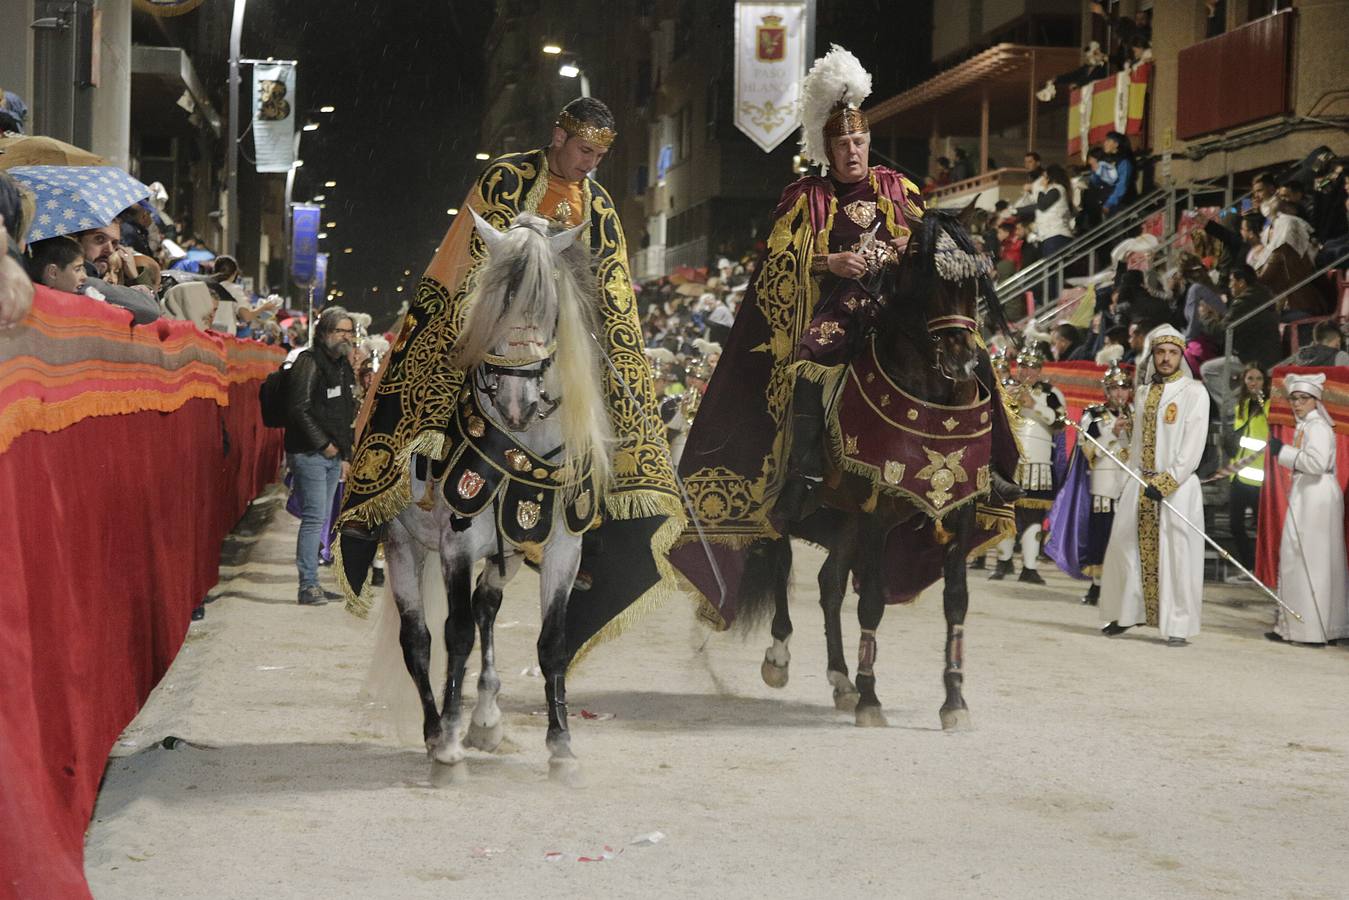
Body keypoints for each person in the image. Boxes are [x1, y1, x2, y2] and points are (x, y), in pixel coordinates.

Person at [337, 98, 681, 653]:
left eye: (598, 154)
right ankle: (395, 495)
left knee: (615, 404)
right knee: (431, 375)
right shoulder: (507, 177)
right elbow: (478, 259)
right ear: (558, 136)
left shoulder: (598, 202)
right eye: (584, 150)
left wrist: (605, 333)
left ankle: (596, 530)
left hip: (562, 339)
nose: (590, 163)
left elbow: (613, 284)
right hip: (495, 320)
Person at [1100, 325, 1210, 645]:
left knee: (1176, 555)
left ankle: (1177, 625)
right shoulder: (1144, 391)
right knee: (1125, 548)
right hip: (1141, 481)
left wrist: (1166, 481)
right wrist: (1123, 438)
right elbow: (1137, 443)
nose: (1165, 358)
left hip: (1175, 487)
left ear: (1180, 356)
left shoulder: (1194, 392)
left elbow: (1192, 445)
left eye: (1172, 353)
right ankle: (1126, 613)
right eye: (1160, 352)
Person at [1267, 373, 1349, 646]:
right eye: (1294, 399)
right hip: (1311, 494)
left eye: (1303, 399)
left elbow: (1315, 463)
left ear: (1316, 400)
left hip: (1316, 497)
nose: (1297, 404)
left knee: (1309, 561)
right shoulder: (1309, 425)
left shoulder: (1317, 427)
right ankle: (1301, 626)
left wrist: (1284, 452)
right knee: (1306, 559)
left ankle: (1310, 629)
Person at [286, 307, 357, 606]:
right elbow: (298, 407)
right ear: (325, 332)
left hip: (332, 455)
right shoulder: (309, 361)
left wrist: (344, 454)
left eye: (349, 332)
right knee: (314, 518)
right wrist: (323, 444)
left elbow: (343, 414)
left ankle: (313, 581)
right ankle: (307, 585)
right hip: (310, 453)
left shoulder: (342, 365)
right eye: (340, 331)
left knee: (323, 518)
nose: (346, 337)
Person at [1048, 364, 1133, 604]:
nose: (1119, 394)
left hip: (1131, 483)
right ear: (1106, 390)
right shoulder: (1093, 415)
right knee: (1102, 534)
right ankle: (1097, 586)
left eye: (1124, 388)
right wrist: (1112, 434)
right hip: (1104, 484)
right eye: (1114, 388)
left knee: (1127, 536)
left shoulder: (1138, 413)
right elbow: (1087, 450)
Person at [991, 344, 1065, 584]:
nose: (1027, 372)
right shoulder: (1004, 387)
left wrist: (1033, 405)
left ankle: (1029, 568)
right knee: (1005, 511)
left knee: (1033, 515)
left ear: (1040, 370)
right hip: (1008, 459)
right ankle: (1003, 563)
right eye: (1023, 366)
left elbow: (1060, 422)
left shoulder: (1051, 393)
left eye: (1032, 367)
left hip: (1038, 463)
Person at [1199, 265, 1281, 416]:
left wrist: (1205, 317)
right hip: (1265, 353)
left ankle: (1231, 412)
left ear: (1241, 282)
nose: (1229, 286)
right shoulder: (1260, 297)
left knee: (1208, 370)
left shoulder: (1245, 301)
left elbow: (1222, 333)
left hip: (1254, 358)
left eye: (1232, 281)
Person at [1224, 364, 1269, 575]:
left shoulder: (1269, 406)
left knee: (1262, 528)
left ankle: (1263, 567)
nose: (1254, 383)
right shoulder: (1240, 405)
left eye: (1259, 379)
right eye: (1250, 378)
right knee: (1235, 525)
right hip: (1238, 476)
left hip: (1260, 478)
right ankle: (1249, 566)